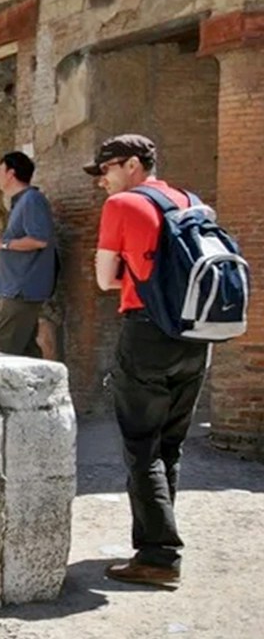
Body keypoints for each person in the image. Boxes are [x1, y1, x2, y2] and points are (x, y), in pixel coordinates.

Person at [87, 134, 210, 590]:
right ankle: (157, 546)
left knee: (141, 446)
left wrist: (131, 266)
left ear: (133, 164)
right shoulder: (190, 201)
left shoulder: (122, 205)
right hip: (196, 336)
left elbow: (104, 279)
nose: (101, 180)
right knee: (169, 445)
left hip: (147, 333)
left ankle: (159, 556)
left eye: (106, 169)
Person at [0, 151, 57, 356]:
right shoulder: (21, 202)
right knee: (26, 353)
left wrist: (2, 244)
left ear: (11, 173)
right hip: (16, 288)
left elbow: (39, 240)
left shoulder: (31, 200)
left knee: (4, 351)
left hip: (21, 289)